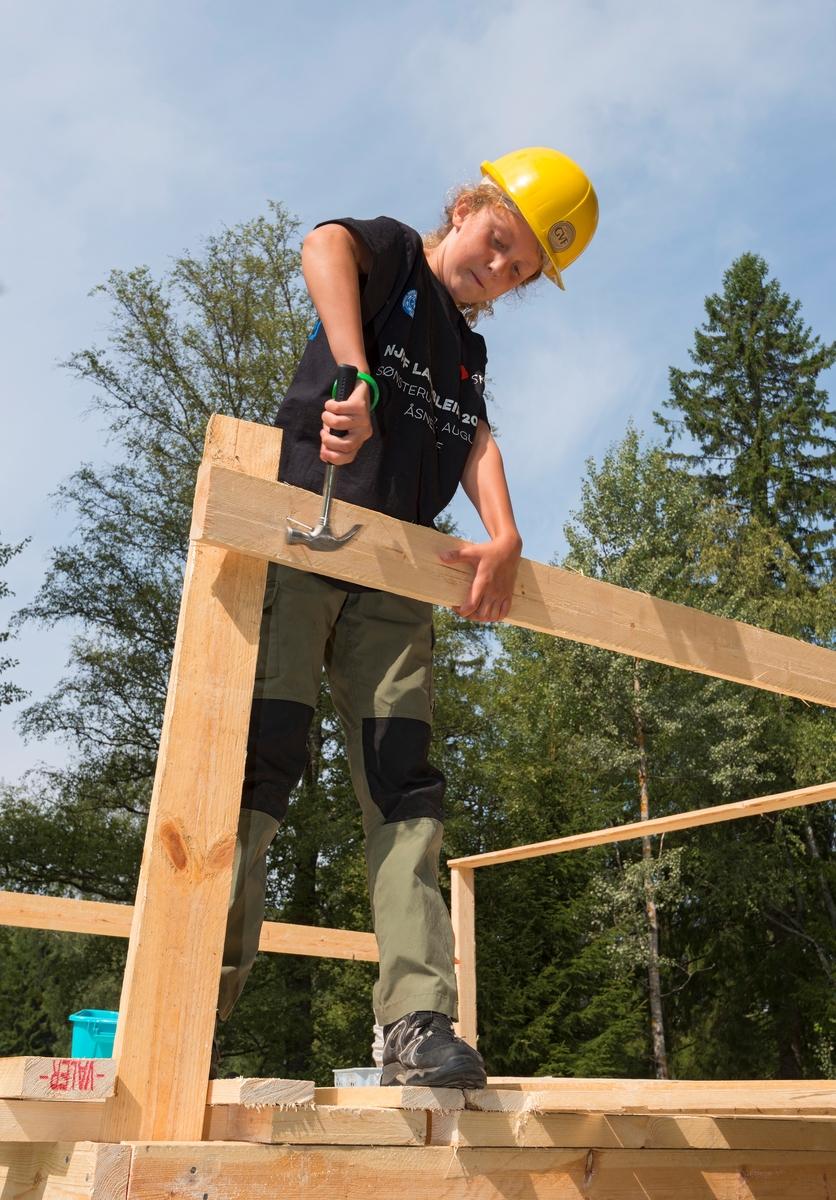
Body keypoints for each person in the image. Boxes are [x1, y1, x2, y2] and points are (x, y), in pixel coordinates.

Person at [213, 147, 599, 1088]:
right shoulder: (392, 260)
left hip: (398, 579)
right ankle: (198, 988)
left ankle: (416, 1022)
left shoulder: (466, 350)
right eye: (497, 241)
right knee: (255, 769)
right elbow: (322, 245)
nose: (497, 271)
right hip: (308, 535)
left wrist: (503, 534)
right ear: (466, 207)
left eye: (519, 272)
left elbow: (474, 440)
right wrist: (357, 372)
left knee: (405, 791)